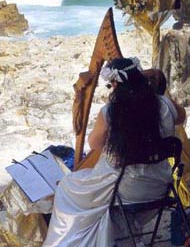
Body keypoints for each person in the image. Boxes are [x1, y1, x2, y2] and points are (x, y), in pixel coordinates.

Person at [42, 57, 186, 247]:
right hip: (159, 187)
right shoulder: (164, 105)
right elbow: (182, 116)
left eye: (110, 85)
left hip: (125, 190)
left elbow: (94, 144)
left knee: (67, 185)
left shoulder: (110, 111)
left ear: (116, 83)